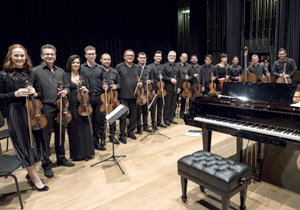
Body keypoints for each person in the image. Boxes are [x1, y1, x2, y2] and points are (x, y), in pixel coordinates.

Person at [0, 44, 48, 191]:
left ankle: (31, 172)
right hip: (16, 113)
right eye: (16, 55)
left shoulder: (31, 73)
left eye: (22, 56)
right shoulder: (3, 74)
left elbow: (41, 92)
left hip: (33, 111)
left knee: (35, 143)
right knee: (25, 144)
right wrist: (13, 94)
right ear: (10, 57)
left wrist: (35, 93)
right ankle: (34, 178)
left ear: (25, 57)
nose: (19, 58)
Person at [33, 44, 74, 179]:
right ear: (42, 56)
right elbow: (33, 90)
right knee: (46, 137)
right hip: (45, 107)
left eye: (52, 54)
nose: (50, 56)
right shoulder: (35, 71)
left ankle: (61, 157)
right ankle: (46, 163)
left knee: (61, 133)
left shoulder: (61, 71)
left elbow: (67, 85)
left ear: (55, 56)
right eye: (47, 54)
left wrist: (66, 91)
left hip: (61, 106)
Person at [65, 55, 95, 161]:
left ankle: (88, 153)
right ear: (70, 64)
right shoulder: (66, 76)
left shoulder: (83, 75)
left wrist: (86, 89)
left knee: (86, 129)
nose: (76, 64)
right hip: (72, 106)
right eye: (74, 62)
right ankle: (77, 155)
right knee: (74, 130)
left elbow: (89, 88)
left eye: (77, 62)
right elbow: (65, 89)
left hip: (83, 105)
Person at [80, 45, 106, 150]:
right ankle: (88, 144)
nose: (91, 56)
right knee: (87, 122)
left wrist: (105, 85)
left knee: (98, 121)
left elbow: (102, 80)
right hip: (87, 98)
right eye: (89, 54)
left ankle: (96, 142)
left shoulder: (100, 67)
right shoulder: (81, 68)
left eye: (93, 54)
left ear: (95, 55)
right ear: (85, 55)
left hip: (99, 97)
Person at [116, 49, 143, 143]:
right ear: (124, 57)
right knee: (122, 116)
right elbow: (116, 80)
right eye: (127, 55)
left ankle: (130, 132)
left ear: (134, 57)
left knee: (133, 116)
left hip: (134, 96)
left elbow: (141, 79)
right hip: (123, 96)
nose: (129, 57)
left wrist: (141, 83)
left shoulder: (137, 67)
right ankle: (122, 135)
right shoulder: (119, 67)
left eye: (131, 55)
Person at [99, 53, 120, 145]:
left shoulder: (115, 71)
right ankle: (102, 138)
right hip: (102, 98)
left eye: (108, 59)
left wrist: (116, 86)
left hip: (112, 99)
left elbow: (120, 83)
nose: (107, 61)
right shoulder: (98, 70)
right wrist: (102, 85)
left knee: (113, 119)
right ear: (101, 60)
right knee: (101, 120)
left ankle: (112, 136)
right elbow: (96, 82)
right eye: (105, 59)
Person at [148, 50, 166, 129]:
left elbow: (164, 77)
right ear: (154, 57)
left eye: (160, 56)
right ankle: (153, 124)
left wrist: (162, 77)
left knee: (160, 107)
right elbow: (150, 79)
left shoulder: (162, 66)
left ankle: (159, 122)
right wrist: (152, 89)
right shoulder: (150, 66)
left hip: (161, 89)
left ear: (161, 58)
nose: (158, 58)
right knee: (153, 108)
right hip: (154, 89)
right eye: (157, 56)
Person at [162, 51, 181, 126]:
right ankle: (166, 119)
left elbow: (179, 77)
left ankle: (171, 118)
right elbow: (163, 77)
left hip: (175, 88)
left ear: (175, 57)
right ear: (167, 57)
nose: (172, 57)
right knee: (167, 104)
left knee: (173, 104)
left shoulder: (177, 66)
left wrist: (179, 87)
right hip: (168, 87)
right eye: (170, 55)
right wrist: (170, 79)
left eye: (173, 56)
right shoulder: (164, 66)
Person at [136, 52, 153, 135]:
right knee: (138, 112)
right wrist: (141, 82)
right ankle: (139, 128)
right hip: (139, 93)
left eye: (144, 58)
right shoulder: (135, 68)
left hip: (146, 92)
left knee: (146, 111)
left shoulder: (149, 68)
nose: (142, 59)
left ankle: (146, 126)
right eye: (141, 58)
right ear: (138, 59)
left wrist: (150, 81)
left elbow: (153, 79)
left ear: (146, 59)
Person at [177, 53, 192, 119]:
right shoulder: (176, 65)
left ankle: (182, 113)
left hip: (185, 85)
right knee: (175, 100)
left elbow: (192, 76)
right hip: (177, 85)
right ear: (180, 57)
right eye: (183, 57)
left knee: (184, 99)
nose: (184, 58)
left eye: (185, 57)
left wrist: (189, 77)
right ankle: (173, 114)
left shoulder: (189, 66)